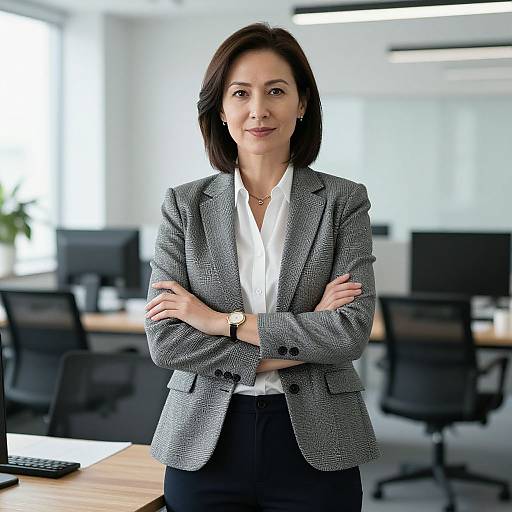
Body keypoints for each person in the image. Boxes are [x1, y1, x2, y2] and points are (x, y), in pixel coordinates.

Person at [144, 22, 379, 512]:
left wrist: (215, 322)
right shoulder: (183, 206)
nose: (258, 109)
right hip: (204, 440)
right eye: (240, 93)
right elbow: (166, 342)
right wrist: (307, 333)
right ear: (221, 108)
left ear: (302, 103)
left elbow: (349, 334)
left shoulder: (343, 202)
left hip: (318, 441)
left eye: (276, 90)